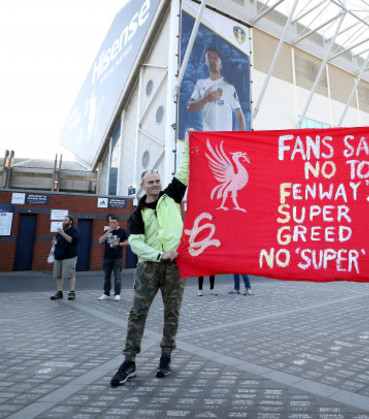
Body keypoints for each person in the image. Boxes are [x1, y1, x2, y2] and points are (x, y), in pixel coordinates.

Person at [110, 133, 194, 387]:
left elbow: (185, 169)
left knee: (172, 313)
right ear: (143, 186)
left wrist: (190, 144)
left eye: (158, 180)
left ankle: (165, 357)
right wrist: (159, 254)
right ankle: (129, 362)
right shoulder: (136, 213)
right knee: (137, 313)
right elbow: (136, 244)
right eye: (151, 181)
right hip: (148, 268)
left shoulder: (172, 197)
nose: (156, 184)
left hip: (175, 268)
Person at [187, 47, 245, 132]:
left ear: (221, 65)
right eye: (209, 57)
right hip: (208, 139)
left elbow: (239, 116)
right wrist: (206, 99)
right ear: (206, 62)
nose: (212, 60)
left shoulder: (229, 88)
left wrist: (242, 141)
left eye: (215, 58)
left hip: (225, 139)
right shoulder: (200, 83)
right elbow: (190, 107)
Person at [98, 215, 129, 301]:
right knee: (106, 276)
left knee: (117, 276)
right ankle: (106, 293)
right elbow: (100, 241)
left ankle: (117, 294)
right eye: (111, 222)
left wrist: (118, 244)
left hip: (117, 257)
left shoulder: (122, 231)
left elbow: (127, 242)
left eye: (114, 222)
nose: (112, 224)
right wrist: (108, 232)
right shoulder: (106, 231)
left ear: (118, 223)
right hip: (107, 257)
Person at [50, 214, 80, 301]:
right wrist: (54, 242)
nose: (63, 222)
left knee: (70, 274)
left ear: (71, 221)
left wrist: (63, 234)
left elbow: (72, 241)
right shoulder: (61, 231)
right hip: (59, 256)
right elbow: (57, 239)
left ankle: (72, 292)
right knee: (58, 275)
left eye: (66, 220)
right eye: (63, 220)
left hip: (69, 256)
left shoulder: (75, 230)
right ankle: (59, 293)